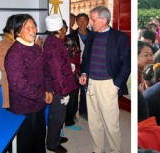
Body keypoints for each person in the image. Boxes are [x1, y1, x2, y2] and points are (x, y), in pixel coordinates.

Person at [79, 6, 131, 152]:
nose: (90, 23)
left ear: (103, 20)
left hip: (108, 84)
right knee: (94, 121)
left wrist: (116, 85)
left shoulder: (119, 37)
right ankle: (98, 149)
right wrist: (83, 73)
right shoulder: (91, 35)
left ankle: (116, 150)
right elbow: (86, 57)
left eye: (93, 20)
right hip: (91, 83)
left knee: (111, 123)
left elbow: (126, 64)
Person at [5, 14, 52, 152]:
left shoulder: (37, 48)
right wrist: (42, 95)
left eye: (34, 26)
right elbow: (19, 85)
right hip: (23, 106)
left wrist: (49, 89)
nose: (33, 30)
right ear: (18, 31)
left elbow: (46, 72)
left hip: (39, 103)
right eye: (28, 27)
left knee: (39, 139)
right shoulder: (14, 53)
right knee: (24, 144)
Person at [43, 15, 78, 153]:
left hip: (57, 84)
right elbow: (57, 71)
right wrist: (63, 93)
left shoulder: (52, 41)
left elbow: (58, 64)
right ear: (59, 29)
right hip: (58, 87)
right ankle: (52, 143)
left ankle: (55, 137)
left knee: (57, 115)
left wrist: (69, 66)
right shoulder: (54, 44)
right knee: (58, 116)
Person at [66, 12, 90, 121]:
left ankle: (84, 112)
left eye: (84, 20)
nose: (82, 23)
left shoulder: (93, 35)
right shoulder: (71, 36)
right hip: (75, 68)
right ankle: (72, 114)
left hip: (89, 67)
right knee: (74, 93)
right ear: (76, 22)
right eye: (79, 20)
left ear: (88, 22)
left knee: (87, 91)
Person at [0, 14, 17, 109]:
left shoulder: (22, 42)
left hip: (27, 93)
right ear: (11, 28)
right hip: (13, 95)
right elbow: (2, 65)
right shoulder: (2, 44)